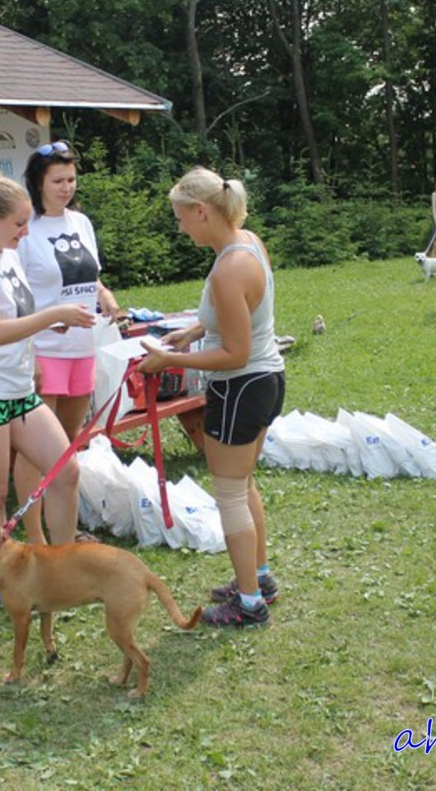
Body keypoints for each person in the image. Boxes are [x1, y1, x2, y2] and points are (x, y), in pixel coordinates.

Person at [139, 167, 285, 629]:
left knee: (229, 495)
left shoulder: (227, 268)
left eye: (181, 217)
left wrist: (170, 359)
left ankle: (249, 603)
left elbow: (234, 352)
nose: (180, 228)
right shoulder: (247, 243)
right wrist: (192, 332)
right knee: (242, 485)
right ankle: (258, 578)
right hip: (266, 379)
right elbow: (237, 313)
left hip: (241, 385)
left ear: (201, 211)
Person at [0, 169, 95, 545]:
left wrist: (46, 328)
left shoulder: (6, 255)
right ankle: (1, 575)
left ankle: (60, 565)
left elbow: (17, 317)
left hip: (17, 391)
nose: (26, 232)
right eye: (20, 223)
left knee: (65, 472)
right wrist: (52, 316)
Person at [12, 140, 121, 544]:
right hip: (43, 349)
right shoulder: (25, 229)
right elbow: (16, 294)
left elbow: (87, 275)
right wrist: (30, 351)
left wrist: (105, 295)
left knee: (67, 446)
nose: (66, 187)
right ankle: (34, 537)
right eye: (58, 180)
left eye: (71, 179)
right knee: (34, 449)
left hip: (82, 347)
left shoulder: (81, 223)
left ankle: (65, 532)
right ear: (38, 182)